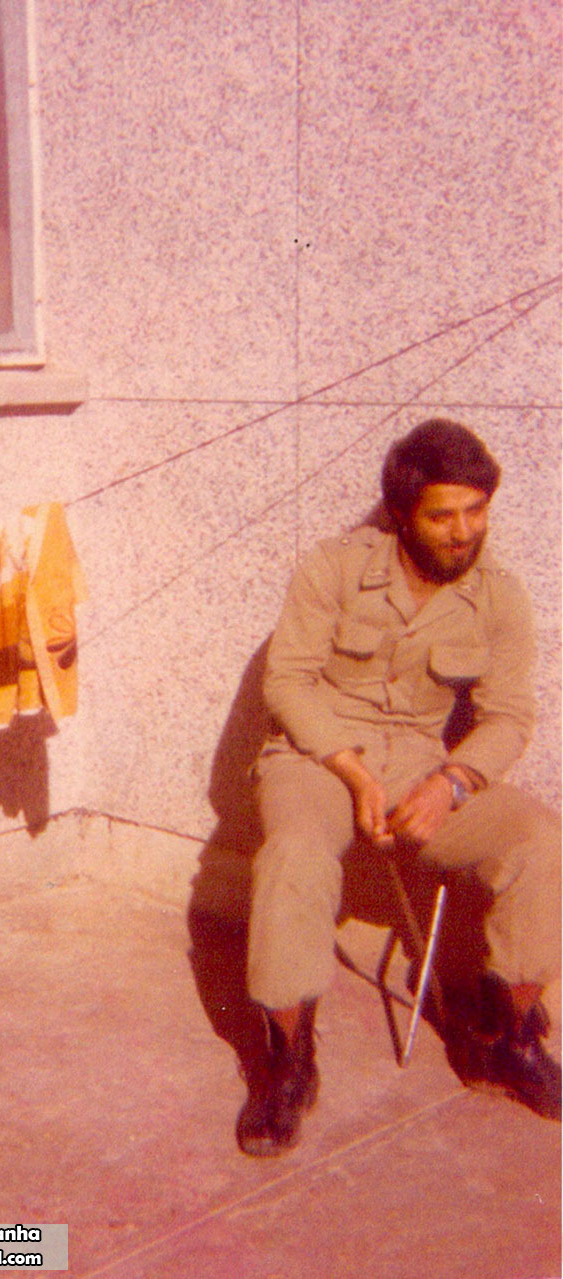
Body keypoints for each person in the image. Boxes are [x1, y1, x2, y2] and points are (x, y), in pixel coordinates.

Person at [238, 418, 561, 1157]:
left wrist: (451, 782)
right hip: (317, 758)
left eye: (476, 510)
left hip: (423, 766)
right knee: (293, 854)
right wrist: (353, 773)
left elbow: (510, 716)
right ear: (401, 512)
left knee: (543, 840)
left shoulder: (500, 596)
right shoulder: (334, 566)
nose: (464, 531)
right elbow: (287, 682)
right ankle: (287, 1061)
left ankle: (508, 1037)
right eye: (443, 515)